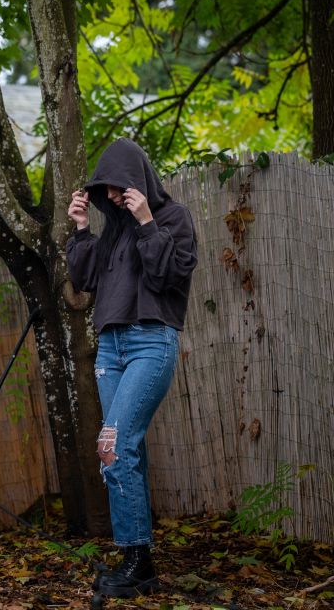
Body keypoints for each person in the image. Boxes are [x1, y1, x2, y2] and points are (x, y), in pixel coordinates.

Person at [66, 137, 198, 598]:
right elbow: (84, 282)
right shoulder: (113, 232)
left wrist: (145, 222)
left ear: (137, 182)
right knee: (125, 452)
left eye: (117, 187)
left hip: (150, 343)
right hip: (110, 349)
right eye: (104, 189)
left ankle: (137, 563)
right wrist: (82, 230)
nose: (111, 196)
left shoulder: (173, 219)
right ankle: (138, 562)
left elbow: (167, 276)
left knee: (114, 446)